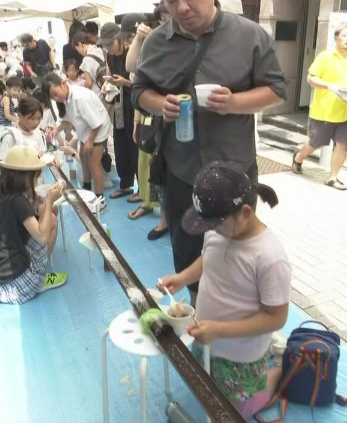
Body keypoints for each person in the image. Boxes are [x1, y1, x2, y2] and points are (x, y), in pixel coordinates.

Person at [132, 0, 287, 306]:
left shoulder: (250, 35)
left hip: (235, 170)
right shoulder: (156, 42)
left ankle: (237, 315)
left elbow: (277, 90)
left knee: (238, 249)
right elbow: (139, 91)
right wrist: (159, 104)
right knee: (186, 246)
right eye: (172, 2)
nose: (182, 8)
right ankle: (197, 308)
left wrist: (235, 103)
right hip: (181, 169)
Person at [158, 162, 291, 420]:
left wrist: (220, 329)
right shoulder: (220, 229)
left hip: (241, 354)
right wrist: (184, 277)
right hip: (209, 339)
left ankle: (279, 371)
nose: (211, 229)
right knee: (206, 383)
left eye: (217, 223)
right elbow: (209, 258)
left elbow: (276, 317)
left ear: (245, 212)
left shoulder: (269, 257)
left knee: (236, 411)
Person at [0, 145, 68, 304]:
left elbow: (10, 220)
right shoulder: (17, 201)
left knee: (43, 215)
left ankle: (36, 272)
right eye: (35, 176)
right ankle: (40, 277)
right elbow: (42, 237)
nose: (36, 180)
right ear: (24, 177)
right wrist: (49, 200)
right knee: (51, 221)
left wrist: (35, 204)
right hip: (17, 286)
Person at [291, 25, 347, 191]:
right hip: (323, 111)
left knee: (342, 145)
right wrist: (328, 86)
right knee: (316, 143)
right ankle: (299, 157)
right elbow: (311, 78)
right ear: (336, 38)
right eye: (344, 36)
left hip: (345, 111)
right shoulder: (325, 57)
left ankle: (332, 178)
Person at [124, 13, 169, 239]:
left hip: (172, 121)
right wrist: (135, 123)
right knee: (148, 165)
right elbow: (132, 68)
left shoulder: (172, 45)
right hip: (150, 118)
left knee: (163, 170)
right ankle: (152, 205)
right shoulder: (153, 43)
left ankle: (161, 211)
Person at [44, 74, 112, 211]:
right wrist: (57, 130)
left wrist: (90, 141)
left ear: (63, 84)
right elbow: (68, 120)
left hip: (98, 130)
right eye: (53, 98)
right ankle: (87, 189)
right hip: (87, 129)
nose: (56, 99)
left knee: (93, 163)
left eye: (56, 94)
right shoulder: (66, 98)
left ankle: (101, 201)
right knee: (84, 158)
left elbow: (97, 123)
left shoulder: (80, 98)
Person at [99, 22, 140, 201]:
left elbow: (140, 83)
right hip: (118, 103)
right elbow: (109, 78)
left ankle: (141, 189)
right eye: (106, 44)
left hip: (133, 103)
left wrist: (124, 82)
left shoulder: (132, 53)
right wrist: (105, 86)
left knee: (134, 143)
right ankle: (125, 184)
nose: (108, 47)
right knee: (120, 143)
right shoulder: (109, 56)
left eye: (111, 43)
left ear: (120, 39)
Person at [74, 31, 107, 96]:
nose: (79, 53)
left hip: (100, 94)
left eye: (77, 50)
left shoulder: (86, 60)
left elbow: (89, 83)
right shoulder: (102, 50)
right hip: (110, 88)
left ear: (80, 44)